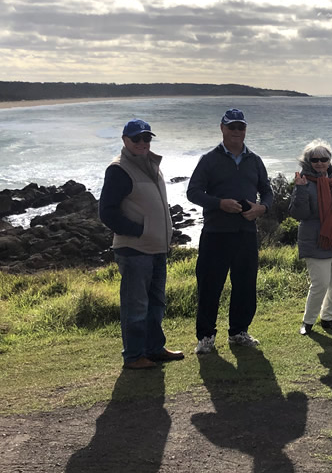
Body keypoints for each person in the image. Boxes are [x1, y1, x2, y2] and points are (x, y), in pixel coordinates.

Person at [98, 119, 184, 370]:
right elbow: (107, 212)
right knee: (136, 306)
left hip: (156, 248)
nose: (142, 143)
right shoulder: (119, 169)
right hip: (135, 249)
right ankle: (134, 356)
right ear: (125, 140)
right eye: (136, 139)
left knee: (156, 303)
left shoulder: (152, 164)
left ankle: (154, 348)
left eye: (146, 138)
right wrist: (140, 231)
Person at [187, 108, 273, 351]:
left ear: (245, 130)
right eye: (232, 127)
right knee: (209, 286)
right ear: (222, 128)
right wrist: (219, 204)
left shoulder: (254, 160)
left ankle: (238, 332)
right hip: (215, 233)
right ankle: (206, 337)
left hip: (246, 233)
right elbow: (193, 192)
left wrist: (262, 208)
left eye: (240, 127)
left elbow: (267, 191)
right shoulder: (209, 159)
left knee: (245, 285)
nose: (236, 131)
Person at [289, 139, 332, 335]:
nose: (319, 163)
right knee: (320, 283)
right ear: (308, 162)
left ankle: (327, 318)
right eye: (315, 159)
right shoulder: (304, 183)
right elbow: (299, 214)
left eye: (324, 159)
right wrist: (300, 190)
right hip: (315, 241)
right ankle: (308, 322)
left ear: (329, 161)